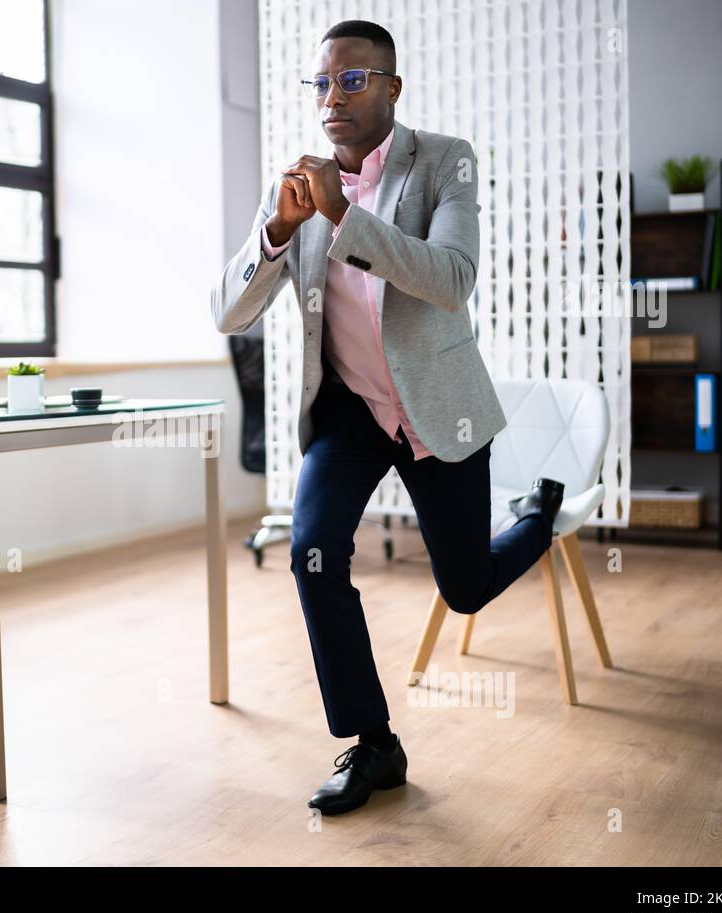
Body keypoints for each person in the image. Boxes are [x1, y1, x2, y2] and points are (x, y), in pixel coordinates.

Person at [210, 19, 565, 816]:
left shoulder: (444, 160)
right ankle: (374, 743)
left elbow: (452, 277)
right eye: (321, 83)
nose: (332, 96)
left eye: (352, 79)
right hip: (350, 410)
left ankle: (536, 519)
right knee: (312, 552)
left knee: (466, 587)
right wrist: (277, 232)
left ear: (391, 86)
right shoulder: (294, 189)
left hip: (436, 404)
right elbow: (226, 312)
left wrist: (346, 219)